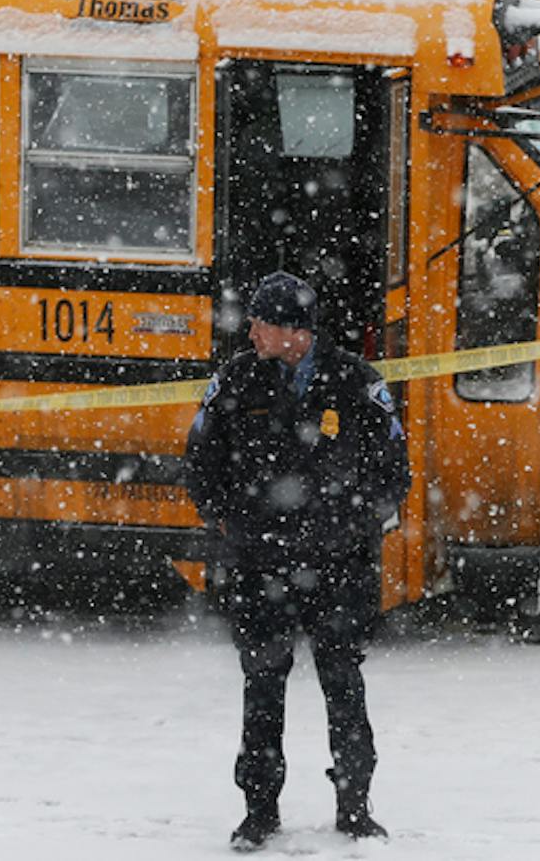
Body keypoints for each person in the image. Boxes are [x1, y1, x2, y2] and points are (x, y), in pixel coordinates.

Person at [184, 271, 410, 850]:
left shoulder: (356, 382)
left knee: (344, 684)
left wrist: (354, 525)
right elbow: (201, 457)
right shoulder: (236, 379)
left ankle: (355, 809)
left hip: (338, 566)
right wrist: (229, 519)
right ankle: (259, 812)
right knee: (262, 686)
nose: (251, 333)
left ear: (294, 330)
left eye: (260, 323)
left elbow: (393, 469)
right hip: (260, 564)